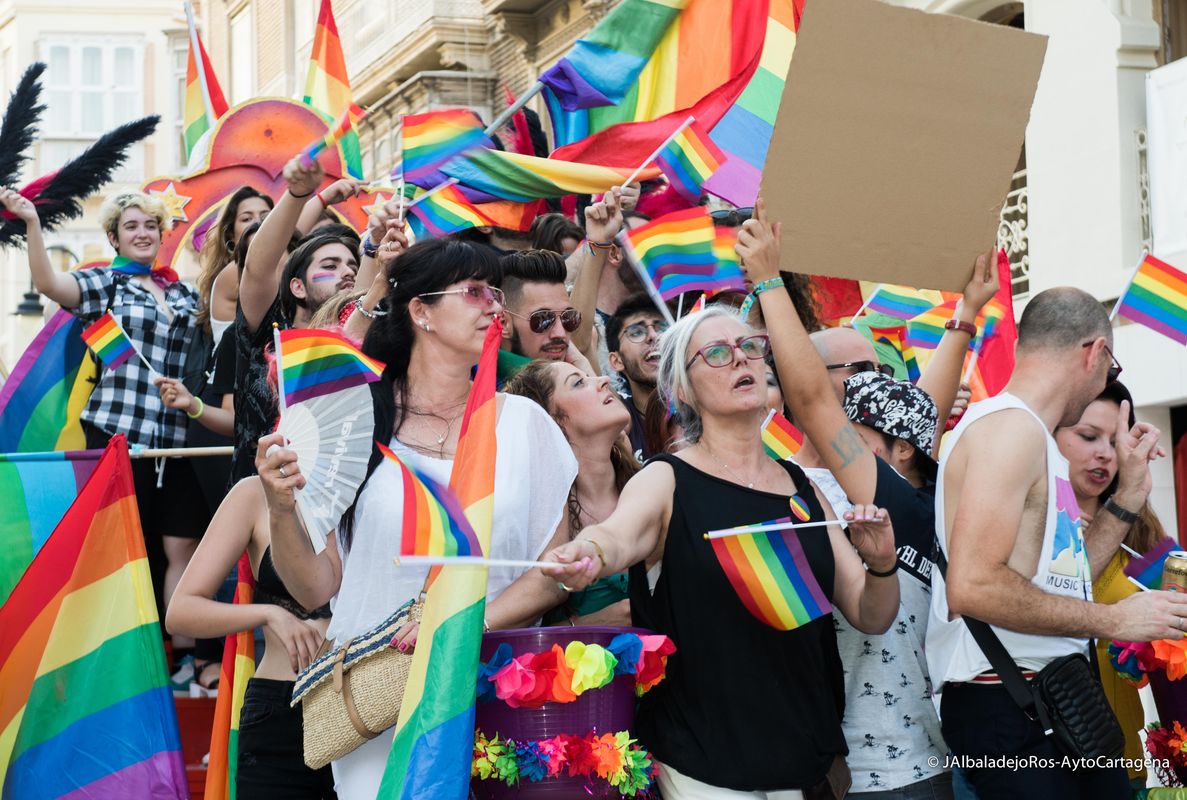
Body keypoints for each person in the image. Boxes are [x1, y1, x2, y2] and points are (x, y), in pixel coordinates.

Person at [259, 238, 577, 799]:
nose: (493, 308)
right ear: (421, 311)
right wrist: (282, 510)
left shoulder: (526, 424)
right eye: (475, 292)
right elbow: (316, 586)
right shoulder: (354, 422)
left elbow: (553, 569)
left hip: (498, 687)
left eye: (495, 295)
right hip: (381, 699)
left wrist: (455, 628)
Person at [545, 306, 902, 798]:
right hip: (703, 764)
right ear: (684, 389)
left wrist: (883, 565)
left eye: (750, 348)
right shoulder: (667, 478)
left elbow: (869, 612)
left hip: (803, 762)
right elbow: (618, 536)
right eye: (717, 353)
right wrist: (588, 551)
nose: (741, 361)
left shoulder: (802, 487)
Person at [737, 200, 958, 797]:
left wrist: (967, 320)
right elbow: (815, 401)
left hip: (931, 757)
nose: (871, 379)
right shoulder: (776, 482)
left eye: (876, 368)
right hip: (837, 761)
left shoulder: (922, 495)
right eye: (851, 370)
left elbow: (912, 418)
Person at [924, 286, 1182, 798]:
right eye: (1112, 372)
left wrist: (1128, 496)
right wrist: (1116, 620)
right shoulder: (1010, 429)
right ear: (1096, 353)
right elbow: (972, 587)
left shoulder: (1032, 435)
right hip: (1009, 706)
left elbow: (1060, 579)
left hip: (1049, 702)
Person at [0, 187, 211, 673]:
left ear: (162, 234)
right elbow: (50, 283)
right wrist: (33, 224)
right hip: (119, 434)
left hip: (177, 439)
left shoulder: (183, 291)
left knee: (182, 544)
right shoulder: (107, 285)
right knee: (121, 544)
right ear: (115, 236)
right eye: (132, 226)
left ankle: (178, 656)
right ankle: (125, 655)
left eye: (150, 225)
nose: (143, 233)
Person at [165, 477, 336, 799]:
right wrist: (269, 613)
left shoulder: (383, 486)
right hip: (281, 706)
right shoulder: (254, 493)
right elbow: (181, 611)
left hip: (372, 703)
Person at [1055, 380, 1168, 788]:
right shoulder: (1031, 525)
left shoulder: (1143, 533)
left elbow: (1174, 625)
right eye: (1087, 436)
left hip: (1125, 758)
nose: (1103, 452)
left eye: (1115, 440)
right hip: (1044, 757)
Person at [228, 156, 361, 485]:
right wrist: (301, 194)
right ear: (296, 285)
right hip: (261, 502)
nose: (345, 272)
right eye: (329, 264)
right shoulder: (267, 327)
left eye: (351, 266)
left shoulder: (357, 334)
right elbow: (260, 264)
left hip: (335, 496)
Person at [505, 360, 644, 627]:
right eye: (579, 383)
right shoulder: (539, 521)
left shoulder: (651, 486)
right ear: (552, 421)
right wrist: (585, 625)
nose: (602, 379)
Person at [195, 186, 274, 348]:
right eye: (246, 219)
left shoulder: (277, 267)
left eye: (266, 217)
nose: (259, 223)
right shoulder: (234, 273)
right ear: (231, 233)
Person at [604, 292, 669, 461]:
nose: (654, 336)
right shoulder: (619, 417)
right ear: (617, 361)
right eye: (636, 332)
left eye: (662, 327)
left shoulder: (703, 407)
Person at [500, 249, 581, 361]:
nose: (560, 333)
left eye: (568, 318)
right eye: (543, 320)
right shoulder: (476, 376)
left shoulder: (578, 371)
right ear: (503, 323)